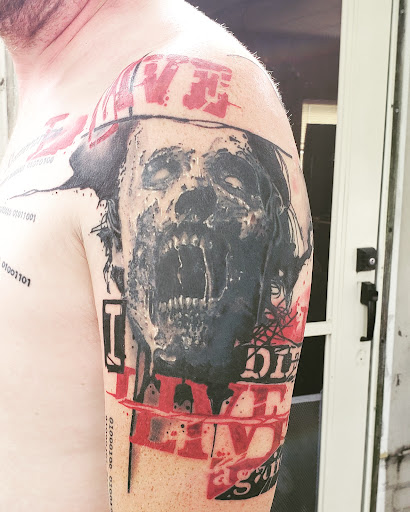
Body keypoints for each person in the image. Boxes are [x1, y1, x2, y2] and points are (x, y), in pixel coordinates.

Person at [0, 0, 312, 510]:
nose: (194, 193)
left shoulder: (190, 88)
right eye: (163, 172)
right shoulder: (48, 73)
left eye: (230, 178)